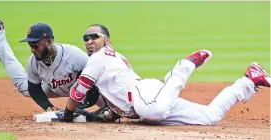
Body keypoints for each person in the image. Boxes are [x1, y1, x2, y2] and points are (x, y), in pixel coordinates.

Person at [59, 24, 270, 125]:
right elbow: (115, 93)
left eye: (93, 36)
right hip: (149, 98)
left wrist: (67, 115)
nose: (88, 41)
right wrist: (107, 114)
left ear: (106, 40)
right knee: (208, 118)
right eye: (85, 38)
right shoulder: (109, 57)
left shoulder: (98, 57)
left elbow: (79, 90)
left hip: (145, 96)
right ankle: (248, 81)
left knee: (157, 111)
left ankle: (183, 67)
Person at [0, 20, 102, 112]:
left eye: (36, 46)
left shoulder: (75, 56)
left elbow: (93, 86)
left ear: (48, 41)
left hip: (81, 87)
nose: (32, 50)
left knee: (110, 105)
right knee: (25, 88)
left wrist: (75, 108)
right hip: (50, 87)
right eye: (30, 46)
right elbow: (34, 89)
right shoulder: (33, 62)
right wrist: (48, 107)